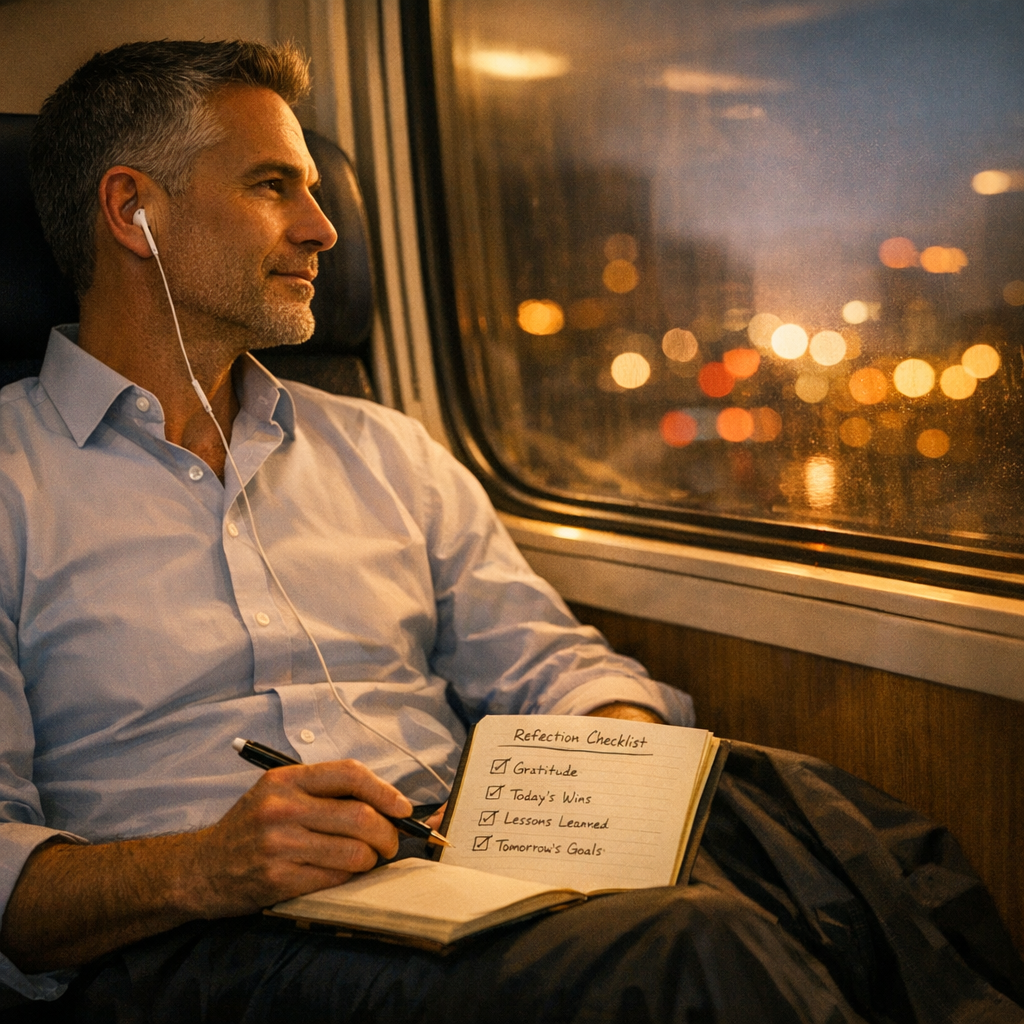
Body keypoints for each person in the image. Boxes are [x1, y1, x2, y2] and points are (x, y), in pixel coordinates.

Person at [1, 40, 1021, 1024]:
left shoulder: (382, 450)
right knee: (689, 949)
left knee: (847, 838)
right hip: (194, 939)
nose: (322, 229)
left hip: (457, 879)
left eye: (312, 190)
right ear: (133, 210)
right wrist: (205, 864)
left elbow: (549, 662)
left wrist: (617, 765)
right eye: (273, 186)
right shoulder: (12, 482)